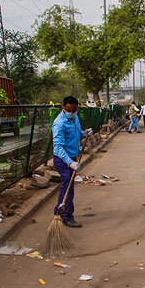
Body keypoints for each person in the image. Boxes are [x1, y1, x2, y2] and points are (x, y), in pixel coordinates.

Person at [52, 96, 92, 228]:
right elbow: (58, 147)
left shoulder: (74, 118)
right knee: (68, 188)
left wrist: (84, 133)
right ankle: (66, 216)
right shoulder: (59, 123)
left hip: (72, 157)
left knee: (68, 187)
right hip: (62, 159)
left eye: (74, 110)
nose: (71, 113)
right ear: (63, 108)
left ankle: (60, 210)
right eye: (69, 110)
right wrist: (70, 162)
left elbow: (76, 133)